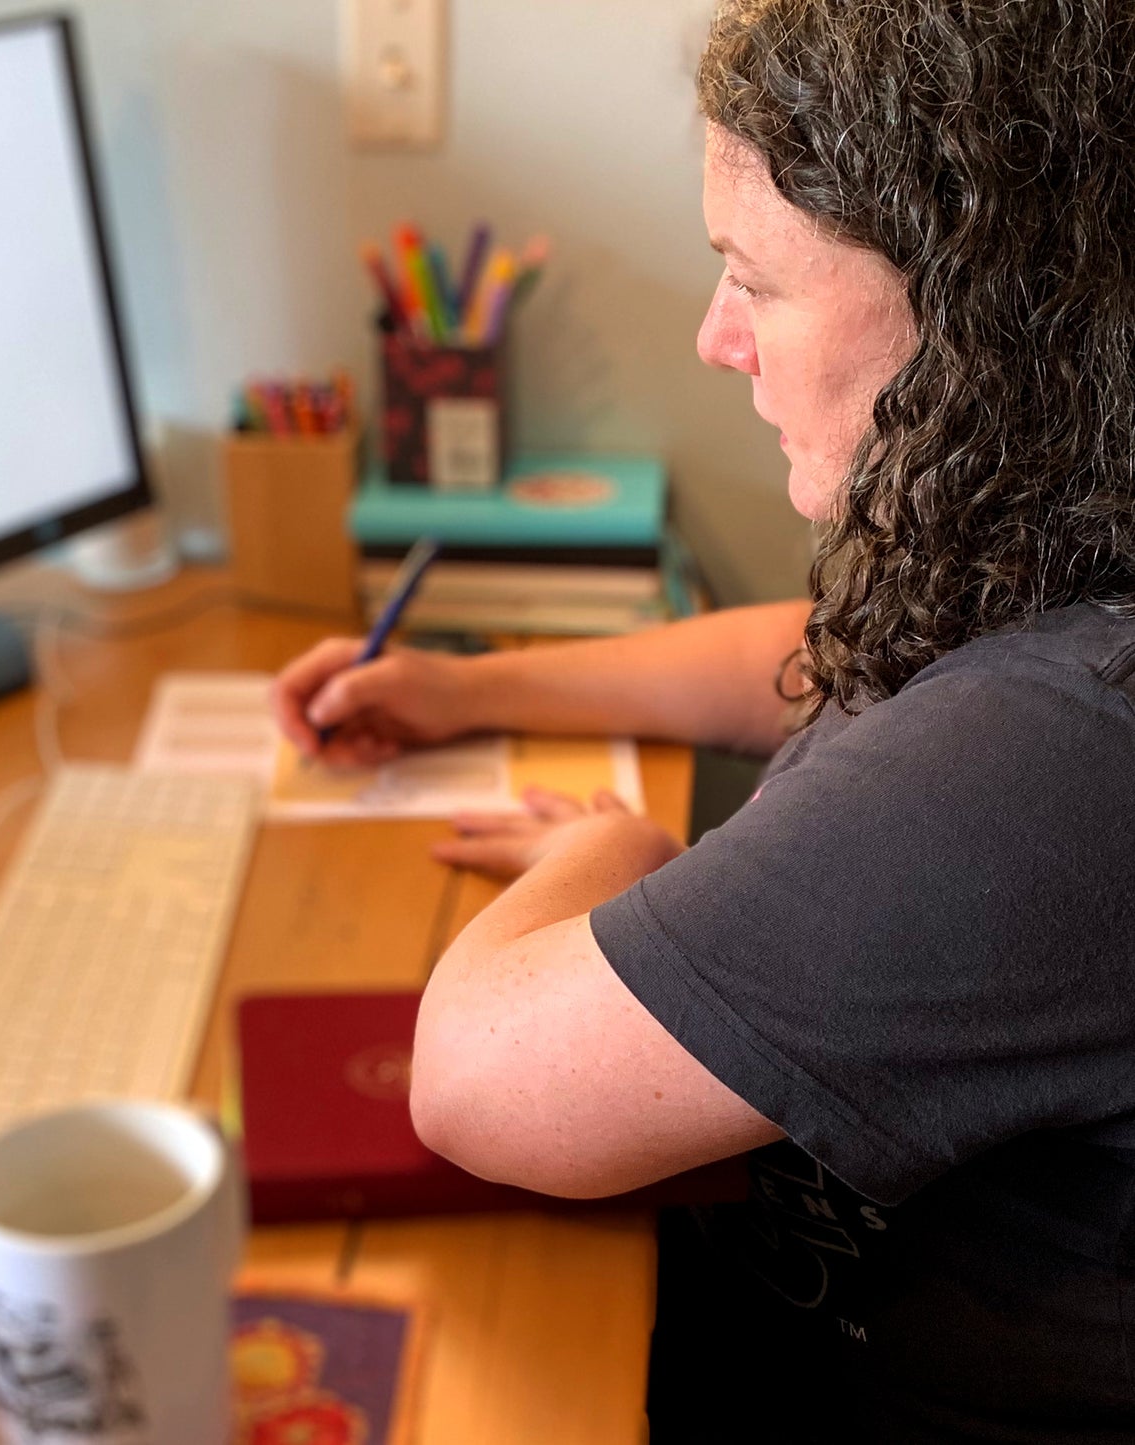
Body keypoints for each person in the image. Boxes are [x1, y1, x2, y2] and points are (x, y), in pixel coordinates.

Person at [271, 0, 1135, 1438]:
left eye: (756, 280)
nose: (715, 336)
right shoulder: (1059, 557)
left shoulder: (1061, 749)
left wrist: (609, 850)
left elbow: (478, 1080)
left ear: (980, 307)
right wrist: (472, 688)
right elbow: (811, 656)